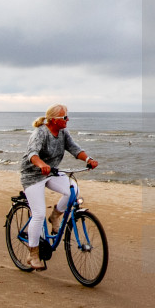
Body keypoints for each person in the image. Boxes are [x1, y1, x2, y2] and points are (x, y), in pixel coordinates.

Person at [19, 104, 97, 271]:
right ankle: (33, 254)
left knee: (73, 191)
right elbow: (32, 154)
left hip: (52, 172)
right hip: (33, 176)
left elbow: (74, 149)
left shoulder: (63, 132)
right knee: (38, 214)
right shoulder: (40, 132)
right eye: (64, 118)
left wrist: (88, 159)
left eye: (67, 116)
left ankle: (56, 216)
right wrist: (41, 165)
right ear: (54, 120)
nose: (67, 120)